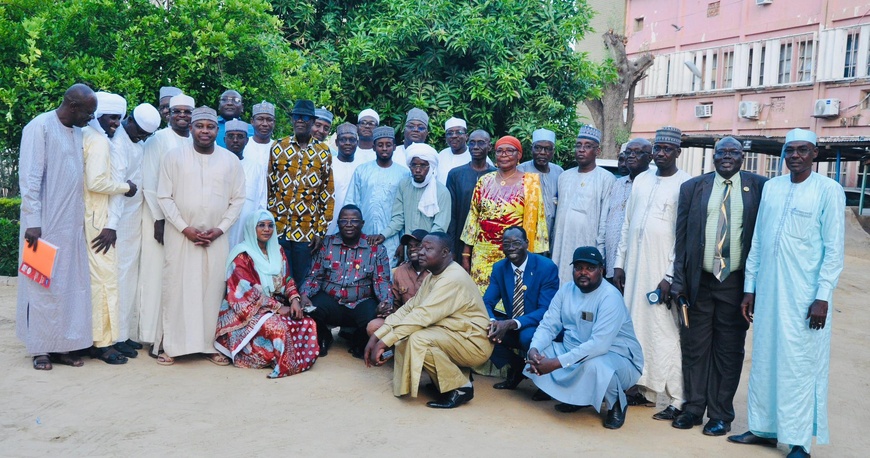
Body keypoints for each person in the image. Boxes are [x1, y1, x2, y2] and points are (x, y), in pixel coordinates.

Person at [728, 129, 845, 458]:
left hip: (805, 296)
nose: (794, 155)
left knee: (799, 365)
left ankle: (798, 441)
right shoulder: (773, 188)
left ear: (815, 154)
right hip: (768, 291)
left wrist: (823, 296)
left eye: (802, 150)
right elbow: (759, 242)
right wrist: (750, 288)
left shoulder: (828, 191)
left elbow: (834, 251)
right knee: (765, 359)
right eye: (789, 150)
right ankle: (763, 427)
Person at [669, 136, 767, 435]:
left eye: (733, 152)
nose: (727, 157)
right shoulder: (693, 188)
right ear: (713, 157)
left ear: (742, 156)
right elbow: (682, 237)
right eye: (721, 152)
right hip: (700, 280)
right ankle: (694, 408)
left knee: (729, 351)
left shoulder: (760, 187)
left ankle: (721, 414)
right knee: (695, 348)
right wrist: (679, 281)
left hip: (736, 284)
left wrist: (755, 287)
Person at [153, 106, 245, 365]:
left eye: (210, 127)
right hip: (181, 236)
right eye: (199, 126)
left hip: (216, 237)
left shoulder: (230, 160)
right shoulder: (173, 157)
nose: (205, 131)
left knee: (212, 291)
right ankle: (171, 346)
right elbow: (163, 196)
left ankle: (210, 345)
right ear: (191, 128)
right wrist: (185, 228)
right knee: (177, 288)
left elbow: (238, 199)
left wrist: (220, 229)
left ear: (218, 130)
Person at [613, 126, 692, 420]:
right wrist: (619, 263)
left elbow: (682, 236)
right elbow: (627, 223)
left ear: (677, 153)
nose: (660, 153)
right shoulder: (641, 180)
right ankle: (645, 390)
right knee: (637, 327)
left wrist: (670, 276)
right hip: (634, 269)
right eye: (657, 148)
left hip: (662, 272)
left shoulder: (686, 184)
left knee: (665, 332)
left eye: (666, 149)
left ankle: (677, 398)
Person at [365, 232, 494, 409]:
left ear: (445, 253)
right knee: (410, 333)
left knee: (418, 338)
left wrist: (384, 342)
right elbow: (410, 308)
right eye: (421, 247)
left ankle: (460, 388)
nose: (420, 252)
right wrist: (378, 336)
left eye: (428, 248)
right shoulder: (434, 275)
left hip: (474, 343)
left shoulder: (452, 278)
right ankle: (449, 378)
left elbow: (422, 316)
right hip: (456, 335)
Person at [18, 83, 97, 370]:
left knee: (69, 288)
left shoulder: (76, 132)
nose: (91, 118)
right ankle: (41, 349)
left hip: (71, 226)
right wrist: (33, 222)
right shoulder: (39, 127)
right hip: (42, 226)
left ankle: (64, 346)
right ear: (73, 106)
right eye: (89, 112)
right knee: (40, 287)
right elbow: (30, 178)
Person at [526, 247, 644, 430]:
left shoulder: (610, 297)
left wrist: (556, 363)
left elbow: (599, 346)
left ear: (601, 270)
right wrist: (534, 350)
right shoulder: (566, 290)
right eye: (578, 267)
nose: (583, 272)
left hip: (618, 359)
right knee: (542, 352)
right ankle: (578, 398)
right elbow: (549, 325)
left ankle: (617, 404)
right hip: (575, 351)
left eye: (590, 268)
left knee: (595, 365)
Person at [215, 210, 320, 378]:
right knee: (278, 327)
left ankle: (285, 358)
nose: (267, 229)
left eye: (270, 225)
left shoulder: (277, 250)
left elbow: (286, 279)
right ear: (251, 228)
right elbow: (244, 291)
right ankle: (268, 358)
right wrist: (277, 307)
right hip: (247, 309)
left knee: (307, 322)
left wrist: (294, 299)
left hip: (274, 304)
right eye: (261, 225)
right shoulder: (242, 255)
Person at [82, 92, 137, 364]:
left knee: (97, 281)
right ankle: (103, 344)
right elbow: (96, 183)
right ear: (96, 116)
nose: (116, 123)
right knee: (104, 283)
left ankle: (98, 339)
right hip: (98, 221)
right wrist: (127, 187)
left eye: (119, 118)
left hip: (90, 218)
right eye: (111, 117)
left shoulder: (89, 137)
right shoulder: (99, 142)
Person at [300, 205, 393, 357]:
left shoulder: (376, 249)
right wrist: (304, 296)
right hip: (331, 300)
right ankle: (324, 336)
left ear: (362, 223)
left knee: (373, 316)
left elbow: (382, 280)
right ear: (338, 223)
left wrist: (386, 302)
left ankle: (358, 339)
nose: (349, 225)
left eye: (354, 221)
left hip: (361, 301)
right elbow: (314, 276)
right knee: (311, 309)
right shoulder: (326, 244)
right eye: (344, 221)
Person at [461, 135, 548, 295]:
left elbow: (538, 223)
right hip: (482, 254)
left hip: (514, 253)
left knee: (510, 299)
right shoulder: (484, 181)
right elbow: (473, 218)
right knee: (482, 300)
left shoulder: (530, 183)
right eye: (500, 151)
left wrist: (532, 261)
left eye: (510, 151)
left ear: (519, 155)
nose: (504, 154)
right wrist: (466, 254)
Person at [139, 94, 194, 346]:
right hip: (157, 219)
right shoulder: (158, 139)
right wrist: (158, 220)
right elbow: (149, 182)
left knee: (179, 278)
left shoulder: (196, 140)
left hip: (185, 222)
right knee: (155, 275)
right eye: (177, 111)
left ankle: (175, 332)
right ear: (168, 114)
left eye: (187, 112)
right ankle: (151, 335)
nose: (182, 116)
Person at [111, 103, 161, 355]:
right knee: (118, 280)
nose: (140, 137)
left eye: (145, 135)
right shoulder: (118, 142)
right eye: (138, 131)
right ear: (128, 120)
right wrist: (111, 226)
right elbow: (116, 186)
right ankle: (114, 338)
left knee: (130, 280)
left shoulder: (138, 144)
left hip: (134, 222)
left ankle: (123, 333)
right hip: (117, 224)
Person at [483, 226, 559, 391]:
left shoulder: (546, 267)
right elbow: (487, 302)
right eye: (506, 244)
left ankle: (545, 384)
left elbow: (546, 310)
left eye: (516, 243)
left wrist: (512, 323)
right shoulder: (499, 268)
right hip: (513, 323)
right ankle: (517, 367)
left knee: (526, 336)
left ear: (527, 243)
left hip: (539, 325)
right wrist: (493, 322)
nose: (511, 248)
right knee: (484, 330)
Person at [268, 99, 333, 286]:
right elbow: (270, 188)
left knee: (303, 280)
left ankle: (301, 315)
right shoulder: (279, 147)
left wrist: (320, 230)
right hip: (279, 228)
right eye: (297, 117)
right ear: (292, 120)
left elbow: (326, 194)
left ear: (312, 121)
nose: (300, 121)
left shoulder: (323, 152)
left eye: (305, 117)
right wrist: (270, 222)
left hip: (306, 231)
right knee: (278, 279)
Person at [551, 125, 615, 284]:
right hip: (561, 245)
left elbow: (605, 221)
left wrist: (600, 255)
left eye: (587, 146)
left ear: (597, 151)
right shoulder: (564, 176)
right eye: (578, 145)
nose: (581, 149)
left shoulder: (606, 179)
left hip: (588, 246)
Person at [371, 143, 451, 261]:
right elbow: (398, 219)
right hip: (409, 250)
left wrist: (423, 247)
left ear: (431, 167)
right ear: (409, 166)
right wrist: (383, 235)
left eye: (423, 165)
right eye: (414, 165)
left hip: (430, 252)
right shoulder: (404, 185)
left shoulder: (442, 192)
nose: (418, 170)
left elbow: (439, 229)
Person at [345, 126, 410, 267]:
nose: (384, 148)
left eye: (388, 145)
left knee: (388, 276)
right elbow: (351, 203)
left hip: (392, 239)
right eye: (380, 145)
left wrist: (402, 244)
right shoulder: (362, 171)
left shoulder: (404, 174)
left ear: (394, 147)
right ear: (373, 147)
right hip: (363, 235)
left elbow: (406, 211)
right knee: (361, 272)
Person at [365, 229, 431, 336]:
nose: (412, 249)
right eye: (409, 246)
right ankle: (391, 352)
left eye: (417, 245)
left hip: (429, 323)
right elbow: (395, 304)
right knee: (374, 326)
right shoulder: (400, 271)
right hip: (403, 320)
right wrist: (384, 309)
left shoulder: (436, 271)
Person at [227, 101, 274, 247]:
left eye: (269, 119)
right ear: (252, 121)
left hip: (254, 215)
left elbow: (261, 197)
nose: (264, 123)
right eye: (260, 119)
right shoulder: (243, 146)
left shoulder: (278, 148)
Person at [604, 139, 651, 282]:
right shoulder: (617, 184)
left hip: (636, 261)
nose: (631, 156)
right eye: (628, 152)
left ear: (650, 157)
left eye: (637, 153)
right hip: (611, 261)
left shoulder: (651, 184)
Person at [446, 129, 495, 261]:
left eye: (481, 143)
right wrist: (451, 247)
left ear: (489, 147)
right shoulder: (455, 174)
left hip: (489, 239)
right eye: (472, 143)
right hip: (460, 238)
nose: (476, 147)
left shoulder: (496, 175)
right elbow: (451, 214)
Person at [517, 128, 564, 248]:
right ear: (531, 149)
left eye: (547, 149)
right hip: (528, 233)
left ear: (553, 151)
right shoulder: (521, 171)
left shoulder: (559, 172)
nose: (542, 152)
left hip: (553, 232)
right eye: (538, 148)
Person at [326, 123, 364, 234]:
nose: (348, 143)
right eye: (343, 139)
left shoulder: (363, 167)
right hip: (329, 222)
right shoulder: (327, 164)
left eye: (352, 140)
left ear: (357, 142)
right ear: (337, 142)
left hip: (355, 225)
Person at [436, 117, 470, 184]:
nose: (454, 136)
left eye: (459, 132)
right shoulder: (441, 155)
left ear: (466, 136)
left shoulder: (475, 155)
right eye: (450, 133)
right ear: (446, 138)